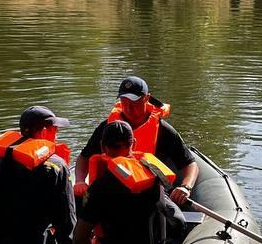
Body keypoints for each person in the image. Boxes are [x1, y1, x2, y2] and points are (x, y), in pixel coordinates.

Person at [40, 121, 184, 244]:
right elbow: (175, 219)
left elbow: (79, 240)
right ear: (134, 144)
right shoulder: (155, 177)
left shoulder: (101, 187)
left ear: (102, 146)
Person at [0, 105, 76, 244]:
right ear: (45, 132)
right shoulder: (56, 166)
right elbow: (66, 222)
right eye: (55, 130)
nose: (57, 135)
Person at [74, 76, 198, 206]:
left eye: (134, 103)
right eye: (124, 102)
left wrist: (186, 187)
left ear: (146, 98)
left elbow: (190, 163)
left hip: (148, 192)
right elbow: (84, 157)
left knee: (177, 220)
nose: (128, 108)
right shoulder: (108, 127)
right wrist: (80, 181)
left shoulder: (163, 130)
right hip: (110, 189)